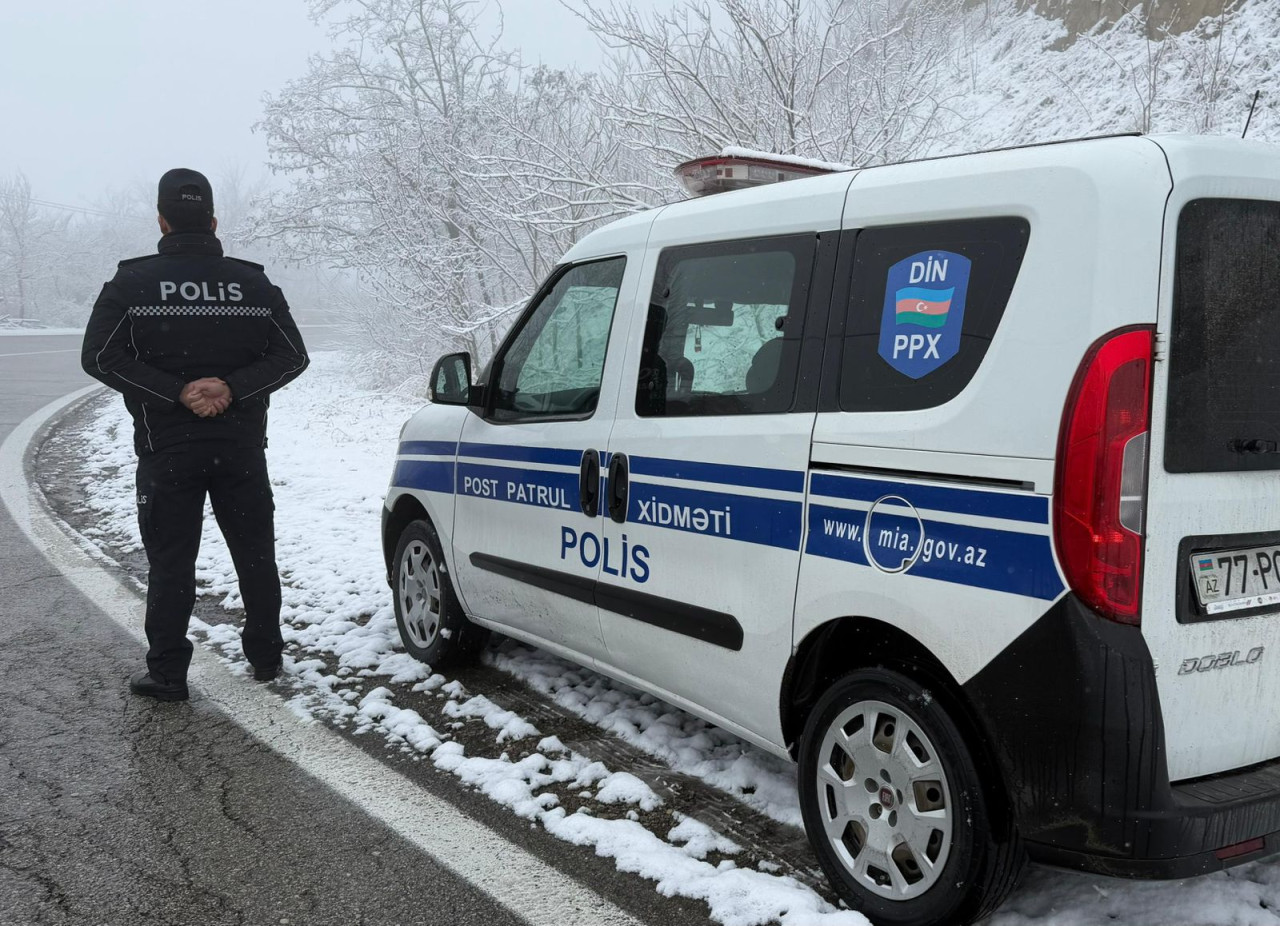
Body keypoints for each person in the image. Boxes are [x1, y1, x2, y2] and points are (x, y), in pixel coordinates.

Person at [81, 168, 309, 702]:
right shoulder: (254, 284)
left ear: (162, 221)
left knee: (171, 561)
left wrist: (175, 392)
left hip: (167, 450)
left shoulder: (131, 284)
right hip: (241, 448)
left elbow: (100, 357)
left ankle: (167, 674)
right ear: (213, 221)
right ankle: (266, 658)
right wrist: (232, 387)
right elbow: (292, 356)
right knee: (255, 554)